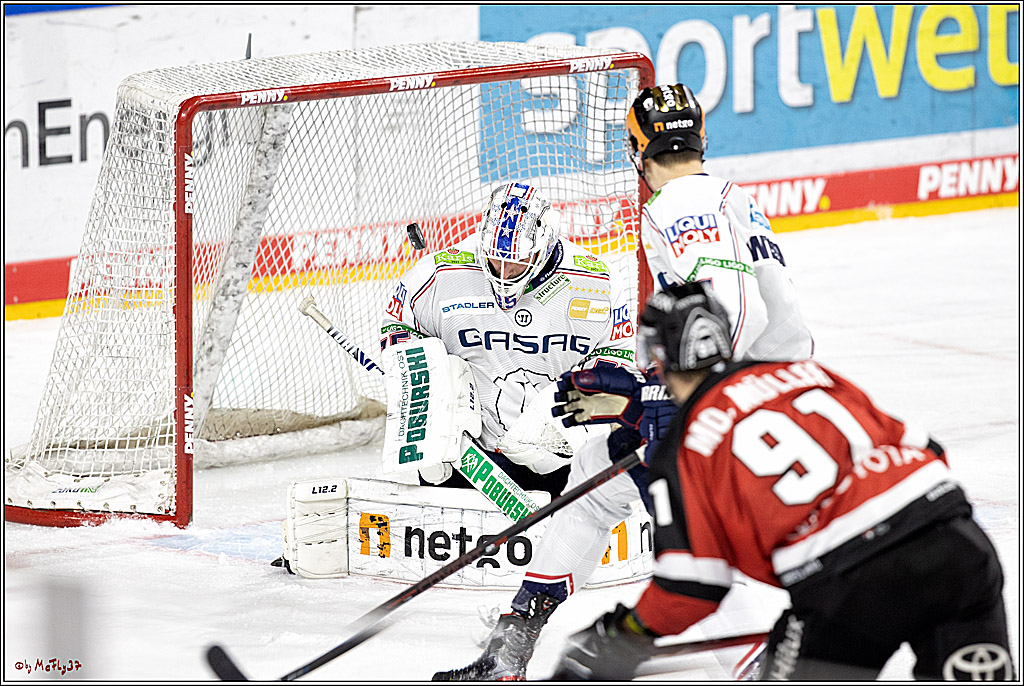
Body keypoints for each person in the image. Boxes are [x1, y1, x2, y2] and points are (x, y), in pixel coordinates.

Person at [432, 83, 813, 681]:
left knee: (687, 551)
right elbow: (781, 319)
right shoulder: (732, 198)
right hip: (763, 389)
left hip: (723, 402)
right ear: (701, 139)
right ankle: (512, 644)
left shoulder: (677, 202)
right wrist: (647, 383)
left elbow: (731, 304)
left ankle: (765, 664)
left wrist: (677, 394)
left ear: (639, 150)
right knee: (593, 480)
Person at [549, 282, 1016, 681]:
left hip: (851, 587)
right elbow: (927, 449)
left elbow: (691, 588)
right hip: (959, 550)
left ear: (660, 355)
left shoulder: (684, 444)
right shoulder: (804, 373)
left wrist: (623, 634)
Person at [378, 180, 634, 499]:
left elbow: (618, 356)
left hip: (562, 461)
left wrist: (570, 419)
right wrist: (427, 410)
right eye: (494, 258)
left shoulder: (598, 282)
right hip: (469, 456)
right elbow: (397, 329)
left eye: (516, 261)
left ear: (545, 244)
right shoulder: (439, 272)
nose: (502, 270)